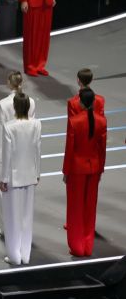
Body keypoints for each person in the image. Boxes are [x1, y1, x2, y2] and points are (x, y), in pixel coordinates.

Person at [0, 71, 37, 236]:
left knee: (2, 192)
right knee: (23, 191)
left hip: (6, 151)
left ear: (9, 84)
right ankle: (22, 224)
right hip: (25, 151)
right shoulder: (31, 101)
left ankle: (5, 226)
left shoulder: (3, 104)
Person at [63, 89, 107, 256]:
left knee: (75, 207)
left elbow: (70, 150)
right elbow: (102, 149)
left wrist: (66, 171)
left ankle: (77, 246)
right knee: (90, 207)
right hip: (94, 167)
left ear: (80, 102)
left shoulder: (75, 122)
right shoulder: (102, 121)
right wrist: (101, 169)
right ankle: (88, 246)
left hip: (77, 169)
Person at [0, 93, 42, 265]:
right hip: (30, 175)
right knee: (26, 216)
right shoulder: (36, 124)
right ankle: (25, 254)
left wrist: (3, 178)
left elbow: (7, 155)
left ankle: (14, 256)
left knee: (12, 218)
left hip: (13, 178)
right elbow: (37, 150)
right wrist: (37, 173)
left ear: (15, 107)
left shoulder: (9, 127)